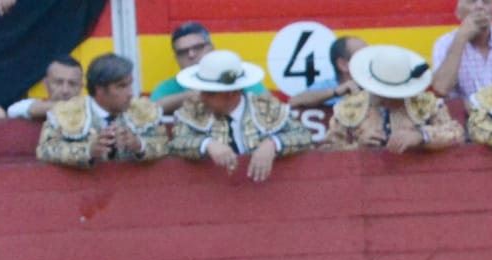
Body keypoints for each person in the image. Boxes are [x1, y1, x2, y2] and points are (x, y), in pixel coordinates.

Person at [168, 50, 312, 182]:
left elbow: (304, 136)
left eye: (210, 93)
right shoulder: (192, 110)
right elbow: (177, 143)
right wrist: (207, 144)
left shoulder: (266, 107)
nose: (202, 97)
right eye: (203, 91)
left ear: (232, 93)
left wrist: (273, 143)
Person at [324, 44, 464, 153]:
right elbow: (327, 150)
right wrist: (358, 147)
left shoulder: (424, 102)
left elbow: (457, 133)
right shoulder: (350, 106)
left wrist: (421, 136)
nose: (388, 99)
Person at [37, 53, 168, 169]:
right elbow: (45, 150)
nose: (130, 93)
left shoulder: (143, 110)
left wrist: (138, 145)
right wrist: (88, 150)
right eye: (121, 86)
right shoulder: (66, 113)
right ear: (99, 89)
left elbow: (165, 144)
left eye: (130, 84)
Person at [151, 22, 271, 115]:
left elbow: (270, 104)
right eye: (183, 52)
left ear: (212, 48)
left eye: (198, 47)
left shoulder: (235, 77)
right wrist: (189, 96)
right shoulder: (168, 87)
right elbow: (150, 111)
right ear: (177, 59)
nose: (191, 55)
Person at [431, 0, 492, 101]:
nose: (480, 6)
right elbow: (440, 89)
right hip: (466, 110)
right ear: (458, 13)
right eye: (472, 1)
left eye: (486, 2)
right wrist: (461, 38)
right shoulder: (444, 43)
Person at [291, 35, 368, 109]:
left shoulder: (373, 85)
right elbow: (294, 101)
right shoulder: (327, 86)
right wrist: (335, 92)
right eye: (363, 56)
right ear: (343, 65)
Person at [6, 55, 83, 121]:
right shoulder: (28, 105)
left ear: (81, 87)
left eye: (72, 84)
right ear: (45, 84)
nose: (65, 90)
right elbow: (12, 111)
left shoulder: (88, 111)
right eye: (59, 83)